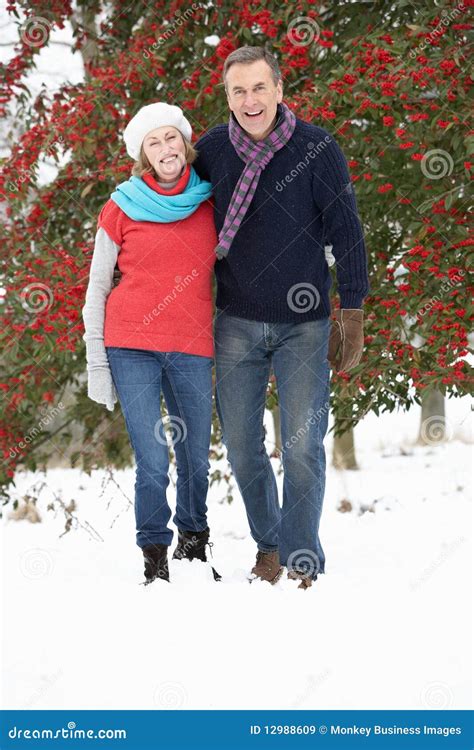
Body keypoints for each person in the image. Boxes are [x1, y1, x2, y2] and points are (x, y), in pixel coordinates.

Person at [193, 46, 370, 589]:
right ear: (228, 97)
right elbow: (179, 213)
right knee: (244, 447)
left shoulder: (317, 149)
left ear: (279, 89)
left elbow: (348, 230)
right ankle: (268, 545)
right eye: (238, 91)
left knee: (301, 445)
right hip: (237, 320)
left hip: (305, 323)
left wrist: (354, 312)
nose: (250, 100)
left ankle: (300, 557)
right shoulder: (212, 150)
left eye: (259, 88)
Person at [82, 103, 220, 585]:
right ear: (143, 153)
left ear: (185, 144)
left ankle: (194, 542)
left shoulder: (210, 203)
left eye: (171, 138)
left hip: (192, 343)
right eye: (153, 142)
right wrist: (95, 362)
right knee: (154, 459)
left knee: (196, 456)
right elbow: (98, 287)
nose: (165, 149)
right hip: (130, 344)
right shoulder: (120, 204)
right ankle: (154, 555)